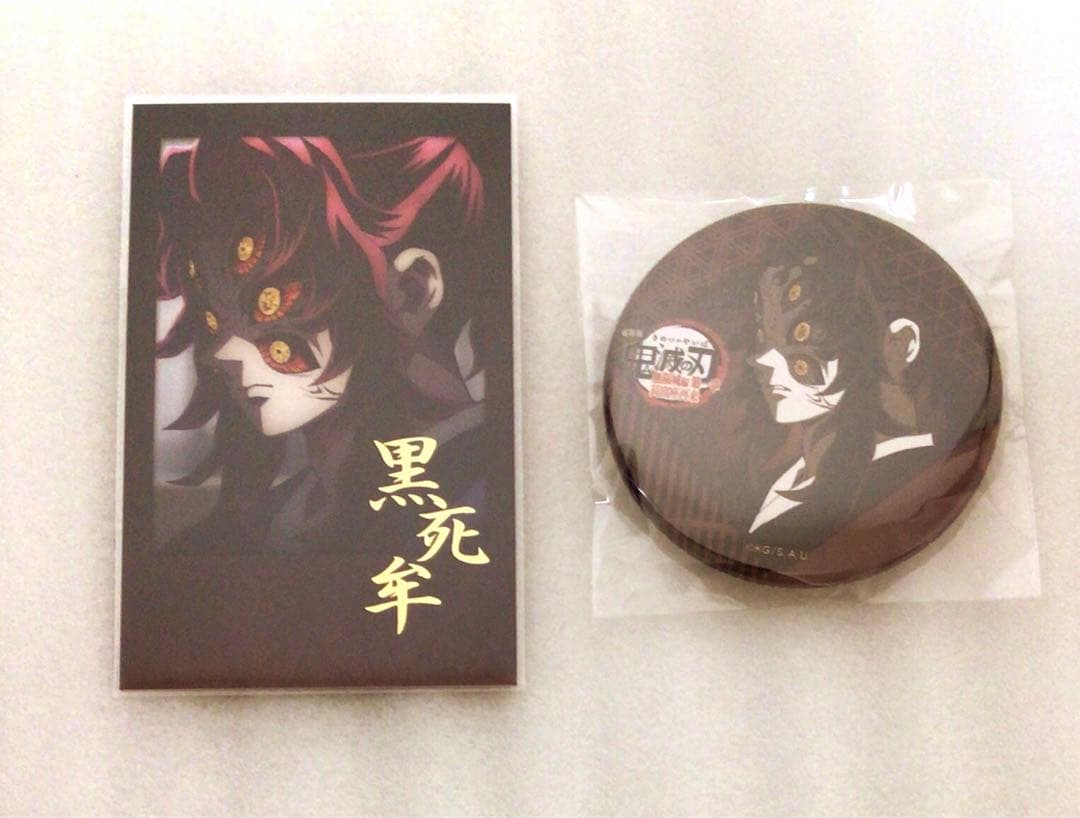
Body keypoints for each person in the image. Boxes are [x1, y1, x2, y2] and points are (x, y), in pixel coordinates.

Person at [153, 135, 488, 553]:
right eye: (213, 319)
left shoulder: (478, 492)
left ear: (411, 291)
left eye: (268, 303)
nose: (218, 353)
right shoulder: (287, 511)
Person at [742, 211, 980, 551]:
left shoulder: (909, 472)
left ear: (901, 343)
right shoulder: (797, 477)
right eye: (763, 335)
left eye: (807, 332)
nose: (762, 360)